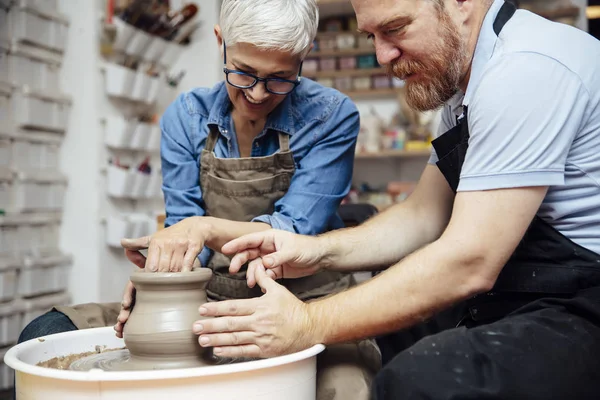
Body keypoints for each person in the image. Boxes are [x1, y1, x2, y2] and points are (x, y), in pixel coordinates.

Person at [180, 0, 600, 398]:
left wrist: (307, 323)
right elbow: (422, 216)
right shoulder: (466, 86)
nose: (383, 56)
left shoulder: (527, 68)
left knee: (420, 380)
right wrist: (315, 250)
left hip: (583, 298)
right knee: (387, 332)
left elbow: (470, 262)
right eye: (371, 37)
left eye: (395, 29)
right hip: (528, 286)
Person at [17, 1, 380, 398]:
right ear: (220, 41)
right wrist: (162, 269)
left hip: (306, 300)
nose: (257, 93)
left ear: (303, 56)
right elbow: (187, 234)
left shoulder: (331, 115)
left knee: (346, 389)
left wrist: (202, 228)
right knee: (44, 334)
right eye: (243, 72)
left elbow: (291, 234)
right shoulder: (186, 117)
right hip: (210, 297)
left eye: (279, 78)